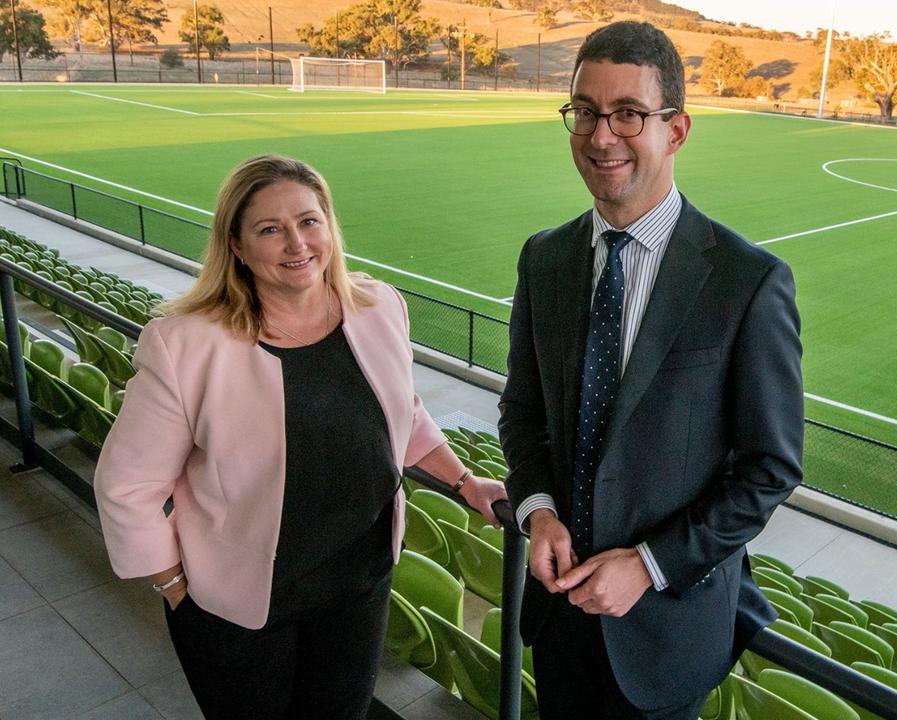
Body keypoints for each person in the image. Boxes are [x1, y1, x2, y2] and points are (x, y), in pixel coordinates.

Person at [94, 154, 507, 720]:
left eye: (310, 221)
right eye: (271, 229)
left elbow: (401, 414)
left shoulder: (380, 306)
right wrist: (172, 586)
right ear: (236, 246)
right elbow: (126, 485)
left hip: (358, 587)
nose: (298, 243)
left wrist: (463, 479)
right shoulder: (186, 344)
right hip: (237, 605)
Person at [498, 21, 804, 720]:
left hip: (664, 633)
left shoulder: (747, 281)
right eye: (584, 112)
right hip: (558, 616)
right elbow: (522, 415)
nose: (602, 137)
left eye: (629, 114)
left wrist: (648, 565)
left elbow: (770, 468)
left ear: (677, 130)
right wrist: (538, 511)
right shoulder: (543, 259)